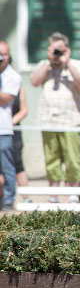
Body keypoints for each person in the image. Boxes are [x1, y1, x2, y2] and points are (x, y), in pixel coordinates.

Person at [30, 33, 80, 202]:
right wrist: (49, 62)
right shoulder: (44, 65)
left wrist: (67, 62)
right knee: (51, 159)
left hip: (71, 120)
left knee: (72, 159)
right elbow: (34, 81)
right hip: (48, 121)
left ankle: (73, 195)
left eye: (60, 49)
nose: (57, 52)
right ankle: (53, 195)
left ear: (67, 49)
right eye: (54, 49)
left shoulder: (76, 65)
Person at [0, 41, 23, 210]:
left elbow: (6, 98)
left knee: (8, 165)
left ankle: (9, 199)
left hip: (3, 129)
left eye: (4, 54)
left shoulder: (13, 76)